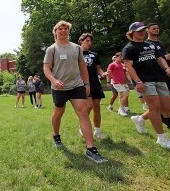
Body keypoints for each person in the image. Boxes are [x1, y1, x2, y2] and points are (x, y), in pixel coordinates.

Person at [43, 20, 107, 163]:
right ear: (56, 32)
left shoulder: (76, 48)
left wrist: (86, 83)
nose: (63, 31)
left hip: (77, 85)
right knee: (59, 112)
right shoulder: (51, 49)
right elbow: (46, 68)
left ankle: (91, 149)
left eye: (66, 28)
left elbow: (82, 66)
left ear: (68, 32)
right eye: (60, 29)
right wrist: (53, 80)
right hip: (59, 87)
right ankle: (56, 134)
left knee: (83, 112)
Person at [122, 22, 170, 148]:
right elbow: (128, 66)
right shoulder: (129, 48)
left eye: (143, 29)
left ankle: (140, 119)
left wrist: (166, 69)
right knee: (155, 108)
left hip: (159, 78)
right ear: (131, 32)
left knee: (167, 108)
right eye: (138, 30)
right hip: (144, 81)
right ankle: (162, 138)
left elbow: (159, 58)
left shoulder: (150, 44)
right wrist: (138, 81)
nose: (142, 32)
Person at [79, 33, 106, 139]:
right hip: (84, 84)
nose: (89, 43)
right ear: (81, 41)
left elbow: (98, 68)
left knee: (97, 107)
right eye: (87, 41)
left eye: (90, 41)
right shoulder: (76, 53)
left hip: (95, 83)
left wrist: (102, 73)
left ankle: (97, 131)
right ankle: (82, 127)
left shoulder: (94, 54)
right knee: (88, 105)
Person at [107, 52, 131, 116]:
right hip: (116, 83)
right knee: (125, 94)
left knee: (123, 96)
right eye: (120, 57)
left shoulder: (123, 65)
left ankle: (123, 109)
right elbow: (108, 73)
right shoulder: (112, 65)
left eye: (122, 57)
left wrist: (131, 80)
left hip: (123, 82)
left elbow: (126, 73)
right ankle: (120, 110)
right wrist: (108, 82)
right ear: (116, 57)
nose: (121, 58)